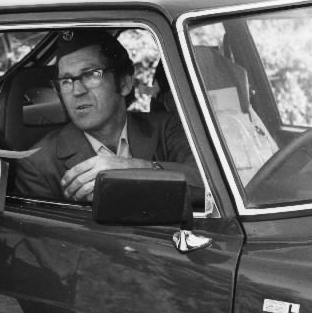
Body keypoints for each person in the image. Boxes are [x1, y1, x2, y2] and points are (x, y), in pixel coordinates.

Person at [13, 29, 203, 203]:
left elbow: (208, 184)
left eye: (91, 74)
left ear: (124, 83)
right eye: (66, 81)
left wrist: (133, 170)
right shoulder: (38, 164)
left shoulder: (167, 127)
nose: (77, 91)